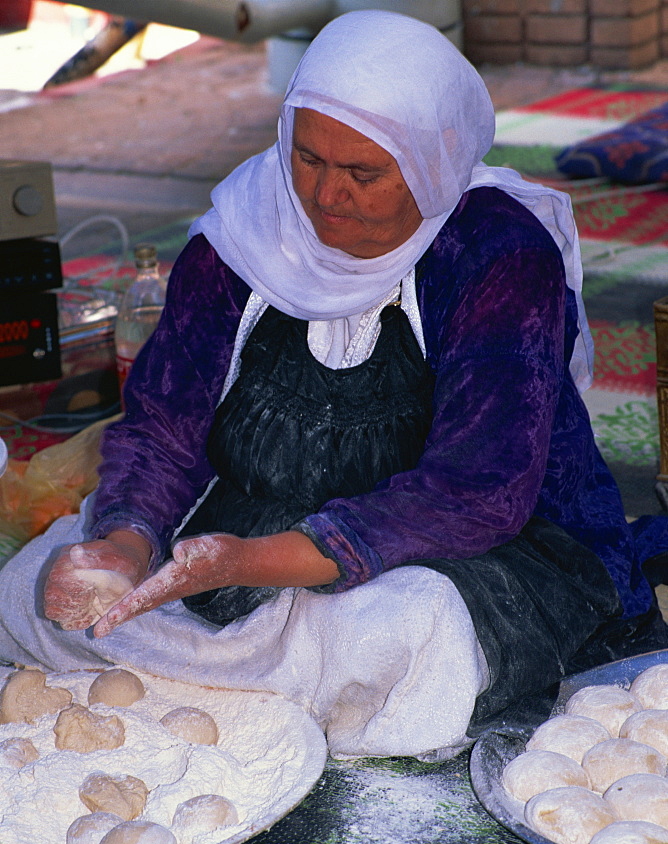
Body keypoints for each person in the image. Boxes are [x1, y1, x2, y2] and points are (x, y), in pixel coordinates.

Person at [1, 10, 668, 760]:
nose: (326, 195)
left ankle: (239, 675)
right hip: (247, 523)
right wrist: (126, 546)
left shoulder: (498, 255)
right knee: (34, 585)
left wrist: (250, 564)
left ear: (433, 160)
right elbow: (163, 427)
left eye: (364, 174)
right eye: (308, 158)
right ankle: (268, 684)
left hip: (452, 549)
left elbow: (475, 492)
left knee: (405, 634)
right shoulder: (242, 232)